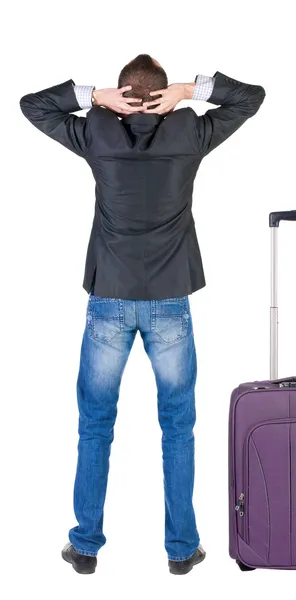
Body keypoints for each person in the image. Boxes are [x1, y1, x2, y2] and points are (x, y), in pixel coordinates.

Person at [20, 54, 265, 575]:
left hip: (109, 296)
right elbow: (251, 97)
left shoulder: (99, 136)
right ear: (158, 95)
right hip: (170, 300)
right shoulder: (188, 134)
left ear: (122, 95)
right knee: (178, 427)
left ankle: (84, 547)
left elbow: (32, 106)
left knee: (94, 426)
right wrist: (191, 89)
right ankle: (182, 551)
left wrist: (92, 97)